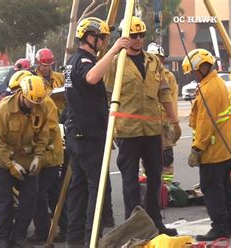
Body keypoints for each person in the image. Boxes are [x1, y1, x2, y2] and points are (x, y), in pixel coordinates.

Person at [104, 16, 179, 236]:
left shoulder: (153, 61)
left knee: (155, 177)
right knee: (130, 182)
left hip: (153, 131)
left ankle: (155, 223)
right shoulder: (116, 64)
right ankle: (134, 226)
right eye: (133, 35)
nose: (138, 39)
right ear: (124, 36)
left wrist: (174, 121)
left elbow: (163, 92)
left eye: (141, 35)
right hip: (128, 131)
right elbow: (107, 97)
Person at [63, 17, 130, 247]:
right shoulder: (83, 59)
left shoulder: (72, 60)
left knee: (79, 189)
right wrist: (115, 50)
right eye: (101, 38)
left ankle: (75, 240)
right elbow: (92, 77)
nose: (103, 42)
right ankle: (92, 237)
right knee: (95, 188)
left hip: (78, 135)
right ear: (90, 37)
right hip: (88, 137)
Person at [183, 48, 231, 241]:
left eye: (193, 71)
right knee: (224, 188)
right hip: (223, 149)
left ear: (202, 68)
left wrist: (197, 149)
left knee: (211, 189)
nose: (192, 75)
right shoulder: (216, 82)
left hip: (213, 150)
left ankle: (220, 227)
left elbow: (205, 124)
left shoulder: (209, 89)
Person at [0, 75, 49, 248]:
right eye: (30, 102)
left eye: (36, 103)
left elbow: (43, 136)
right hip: (2, 159)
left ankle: (19, 236)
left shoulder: (40, 107)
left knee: (30, 199)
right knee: (5, 200)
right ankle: (3, 238)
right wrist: (10, 164)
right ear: (22, 94)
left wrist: (39, 156)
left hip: (26, 159)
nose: (33, 106)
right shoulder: (5, 108)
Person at [146, 43, 181, 184]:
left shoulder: (168, 76)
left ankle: (166, 187)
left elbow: (171, 100)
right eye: (155, 58)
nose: (158, 61)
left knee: (167, 157)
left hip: (164, 122)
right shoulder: (143, 73)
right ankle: (147, 185)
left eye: (161, 58)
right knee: (148, 157)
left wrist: (173, 122)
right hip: (148, 123)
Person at [35, 48, 65, 112]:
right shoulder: (33, 79)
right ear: (38, 63)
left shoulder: (60, 77)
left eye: (49, 65)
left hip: (59, 114)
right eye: (45, 66)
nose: (47, 68)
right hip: (43, 114)